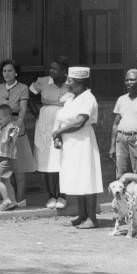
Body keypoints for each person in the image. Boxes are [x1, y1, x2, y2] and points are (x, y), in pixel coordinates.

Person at [51, 67, 103, 229]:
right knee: (77, 179)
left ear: (80, 82)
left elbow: (79, 122)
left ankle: (92, 218)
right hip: (71, 144)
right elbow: (64, 119)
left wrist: (59, 131)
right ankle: (82, 215)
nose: (67, 83)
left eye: (70, 80)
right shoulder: (72, 98)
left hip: (83, 142)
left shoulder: (88, 98)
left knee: (86, 178)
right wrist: (58, 135)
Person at [0, 59, 36, 206]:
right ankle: (3, 198)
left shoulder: (23, 88)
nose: (7, 73)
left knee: (19, 165)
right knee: (1, 164)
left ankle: (20, 199)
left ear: (16, 72)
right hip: (1, 126)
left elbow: (22, 109)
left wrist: (17, 125)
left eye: (10, 70)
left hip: (16, 126)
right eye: (4, 71)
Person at [29, 57, 70, 208]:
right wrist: (36, 112)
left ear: (64, 72)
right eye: (50, 68)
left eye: (55, 69)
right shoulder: (43, 81)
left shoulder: (71, 83)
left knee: (62, 159)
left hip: (64, 124)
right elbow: (30, 95)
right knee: (47, 160)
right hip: (45, 124)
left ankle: (63, 196)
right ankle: (51, 196)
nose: (51, 71)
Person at [110, 68, 137, 178]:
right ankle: (123, 195)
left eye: (132, 80)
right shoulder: (121, 99)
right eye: (127, 80)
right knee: (121, 174)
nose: (129, 83)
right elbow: (116, 124)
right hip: (121, 140)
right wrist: (112, 146)